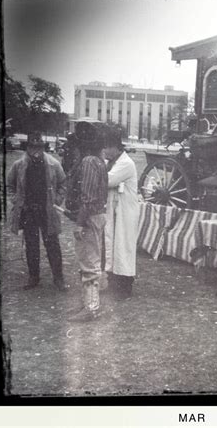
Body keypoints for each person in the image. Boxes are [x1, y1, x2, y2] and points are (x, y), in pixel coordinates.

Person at [7, 131, 68, 291]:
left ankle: (58, 278)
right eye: (32, 147)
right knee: (32, 245)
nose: (36, 151)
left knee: (53, 245)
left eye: (39, 147)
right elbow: (10, 186)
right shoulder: (18, 165)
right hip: (28, 212)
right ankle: (34, 277)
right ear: (27, 148)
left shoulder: (53, 164)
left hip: (47, 211)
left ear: (43, 147)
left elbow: (63, 184)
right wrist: (17, 201)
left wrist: (57, 200)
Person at [65, 122, 108, 322]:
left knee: (89, 263)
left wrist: (80, 223)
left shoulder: (89, 162)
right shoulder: (97, 161)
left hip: (90, 217)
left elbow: (88, 197)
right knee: (88, 260)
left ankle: (91, 307)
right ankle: (88, 304)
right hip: (94, 215)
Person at [102, 126, 140, 300]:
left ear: (116, 148)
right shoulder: (112, 162)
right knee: (112, 246)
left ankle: (125, 289)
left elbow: (107, 181)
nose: (104, 151)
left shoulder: (126, 163)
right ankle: (112, 285)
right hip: (115, 210)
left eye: (107, 147)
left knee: (123, 248)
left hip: (125, 212)